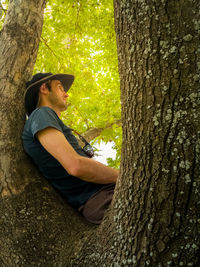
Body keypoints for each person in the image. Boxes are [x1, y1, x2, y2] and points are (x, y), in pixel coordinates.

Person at [22, 72, 119, 224]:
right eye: (60, 87)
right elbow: (75, 166)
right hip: (101, 197)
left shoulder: (44, 119)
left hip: (102, 195)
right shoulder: (41, 114)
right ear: (44, 89)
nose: (66, 94)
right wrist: (123, 176)